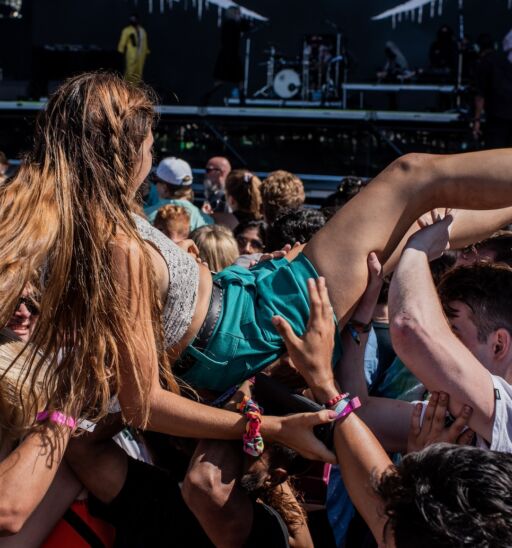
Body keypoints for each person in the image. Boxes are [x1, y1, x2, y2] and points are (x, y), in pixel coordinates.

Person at [5, 72, 512, 468]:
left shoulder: (81, 221)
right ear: (118, 151)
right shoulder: (117, 246)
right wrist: (265, 428)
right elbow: (144, 404)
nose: (153, 152)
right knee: (411, 177)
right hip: (254, 319)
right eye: (149, 142)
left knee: (408, 228)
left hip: (243, 301)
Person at [273, 278, 512, 546]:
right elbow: (359, 412)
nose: (437, 346)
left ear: (498, 345)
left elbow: (391, 530)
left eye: (452, 336)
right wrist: (360, 320)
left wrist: (424, 468)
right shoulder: (449, 418)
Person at [144, 156, 213, 231]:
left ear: (164, 188)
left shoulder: (145, 217)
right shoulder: (206, 221)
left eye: (156, 182)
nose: (155, 185)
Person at [474, 29, 512, 147]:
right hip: (499, 115)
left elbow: (480, 95)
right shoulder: (494, 62)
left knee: (496, 154)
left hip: (497, 117)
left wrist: (477, 120)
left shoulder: (490, 61)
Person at [117, 14, 149, 84]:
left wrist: (146, 50)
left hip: (141, 53)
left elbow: (145, 41)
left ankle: (135, 87)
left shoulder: (142, 30)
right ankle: (127, 86)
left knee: (139, 72)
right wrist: (120, 50)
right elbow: (123, 40)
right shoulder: (127, 30)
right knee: (129, 70)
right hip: (131, 53)